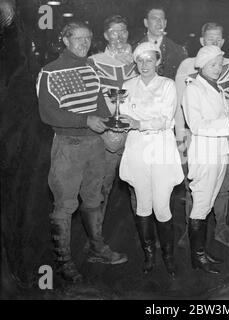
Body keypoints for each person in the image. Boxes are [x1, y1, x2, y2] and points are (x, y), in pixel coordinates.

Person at [37, 21, 127, 283]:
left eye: (88, 38)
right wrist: (85, 120)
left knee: (93, 199)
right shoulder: (49, 72)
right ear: (65, 40)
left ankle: (97, 249)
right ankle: (63, 262)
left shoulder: (90, 67)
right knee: (64, 205)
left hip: (95, 145)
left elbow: (99, 102)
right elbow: (47, 113)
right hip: (68, 146)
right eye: (78, 38)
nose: (84, 43)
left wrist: (112, 122)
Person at [118, 42, 184, 277]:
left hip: (162, 152)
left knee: (162, 207)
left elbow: (165, 120)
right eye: (140, 60)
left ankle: (168, 256)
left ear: (158, 61)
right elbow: (122, 116)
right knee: (143, 205)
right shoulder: (127, 86)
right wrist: (139, 121)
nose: (144, 65)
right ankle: (149, 256)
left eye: (149, 60)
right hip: (136, 151)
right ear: (135, 63)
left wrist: (138, 122)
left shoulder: (167, 85)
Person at [182, 45, 229, 274]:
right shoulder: (193, 89)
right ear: (201, 65)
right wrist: (228, 123)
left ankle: (202, 252)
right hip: (204, 155)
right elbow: (197, 125)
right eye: (213, 64)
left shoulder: (218, 88)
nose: (217, 68)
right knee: (200, 206)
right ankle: (197, 258)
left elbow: (221, 118)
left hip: (220, 154)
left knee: (208, 204)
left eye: (220, 65)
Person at [175, 22, 229, 248]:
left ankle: (220, 227)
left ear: (223, 42)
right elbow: (179, 104)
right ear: (202, 40)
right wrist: (179, 135)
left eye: (218, 38)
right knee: (193, 185)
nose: (214, 41)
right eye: (209, 38)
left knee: (224, 184)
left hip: (227, 136)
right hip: (195, 136)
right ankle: (190, 231)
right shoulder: (187, 66)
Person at [88, 15, 138, 255]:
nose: (119, 36)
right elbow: (88, 99)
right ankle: (96, 243)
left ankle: (144, 237)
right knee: (102, 187)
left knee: (138, 185)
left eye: (123, 31)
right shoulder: (94, 61)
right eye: (113, 32)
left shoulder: (138, 60)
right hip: (106, 134)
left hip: (135, 134)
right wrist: (104, 127)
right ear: (106, 35)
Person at [133, 3, 188, 80]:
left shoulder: (178, 51)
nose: (159, 22)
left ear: (165, 23)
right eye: (154, 18)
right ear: (146, 23)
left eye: (161, 19)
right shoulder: (134, 49)